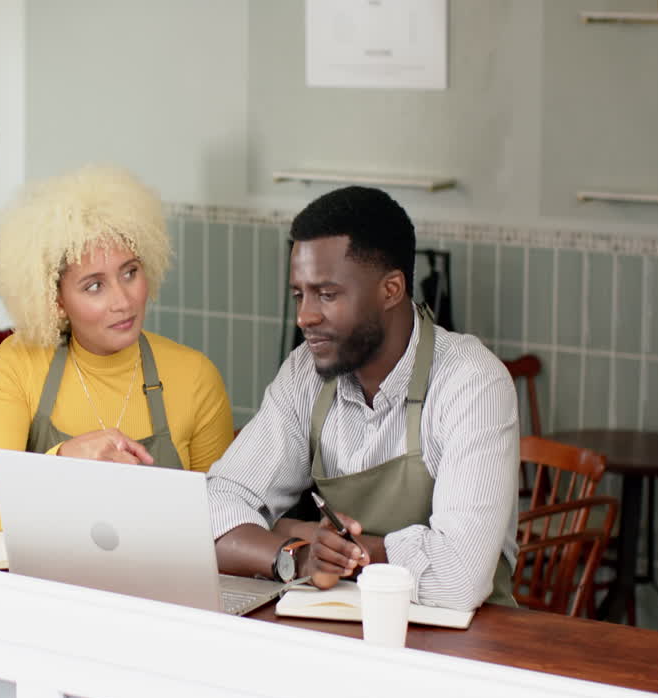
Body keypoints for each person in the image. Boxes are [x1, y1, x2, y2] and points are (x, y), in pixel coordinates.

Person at [207, 186, 519, 611]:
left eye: (327, 294)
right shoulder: (304, 374)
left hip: (466, 641)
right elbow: (214, 508)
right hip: (343, 630)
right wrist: (297, 556)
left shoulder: (472, 382)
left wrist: (343, 552)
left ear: (391, 290)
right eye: (299, 294)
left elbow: (459, 579)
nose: (304, 317)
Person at [0, 166, 235, 531]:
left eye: (130, 273)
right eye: (94, 286)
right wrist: (63, 460)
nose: (123, 301)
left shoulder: (195, 376)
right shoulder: (20, 361)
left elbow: (223, 520)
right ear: (56, 300)